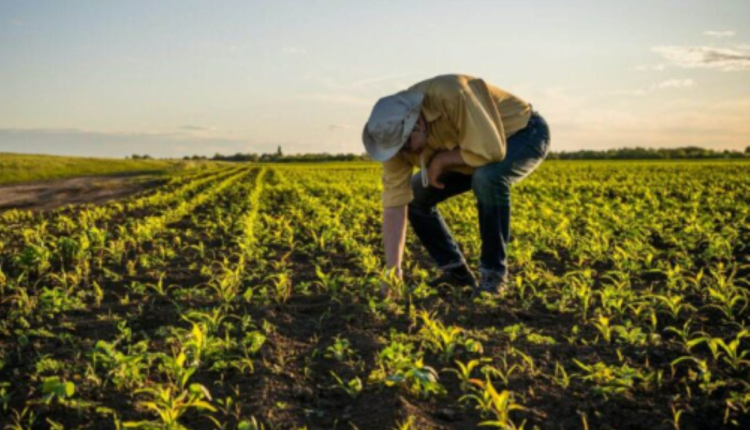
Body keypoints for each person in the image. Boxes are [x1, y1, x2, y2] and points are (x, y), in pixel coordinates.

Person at [362, 73, 550, 298]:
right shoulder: (392, 137)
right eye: (396, 150)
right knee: (416, 197)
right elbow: (395, 202)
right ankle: (456, 273)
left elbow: (491, 150)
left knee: (487, 177)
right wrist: (393, 271)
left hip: (520, 134)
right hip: (468, 150)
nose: (403, 154)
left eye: (405, 146)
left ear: (417, 123)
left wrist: (442, 160)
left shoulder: (452, 93)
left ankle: (493, 275)